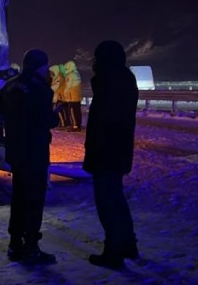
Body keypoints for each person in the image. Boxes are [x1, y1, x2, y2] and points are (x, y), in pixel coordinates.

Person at [0, 48, 59, 265]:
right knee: (34, 199)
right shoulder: (41, 88)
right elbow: (45, 121)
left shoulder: (12, 85)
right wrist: (55, 117)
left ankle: (15, 244)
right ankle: (31, 246)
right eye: (45, 65)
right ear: (40, 65)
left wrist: (13, 118)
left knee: (19, 196)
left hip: (16, 149)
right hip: (35, 151)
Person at [83, 40, 139, 270]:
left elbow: (105, 120)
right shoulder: (124, 77)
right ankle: (127, 244)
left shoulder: (109, 81)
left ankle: (113, 251)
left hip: (106, 151)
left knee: (107, 202)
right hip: (118, 150)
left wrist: (96, 148)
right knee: (116, 198)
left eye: (97, 58)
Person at [63, 60, 83, 131]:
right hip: (77, 96)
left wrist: (65, 93)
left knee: (72, 111)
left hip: (72, 97)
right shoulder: (76, 73)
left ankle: (75, 126)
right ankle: (78, 125)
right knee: (77, 111)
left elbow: (68, 86)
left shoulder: (70, 75)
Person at [50, 63, 70, 128]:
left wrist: (50, 86)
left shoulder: (59, 78)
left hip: (60, 97)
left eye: (52, 73)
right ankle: (64, 123)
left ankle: (63, 124)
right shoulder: (61, 77)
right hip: (61, 97)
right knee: (63, 111)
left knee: (60, 111)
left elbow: (56, 88)